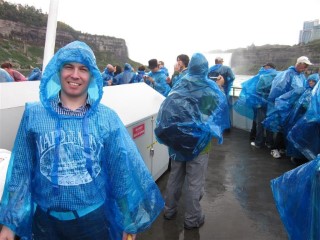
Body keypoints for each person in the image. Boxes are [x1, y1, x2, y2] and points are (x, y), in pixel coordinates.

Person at [0, 41, 164, 240]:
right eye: (69, 66)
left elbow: (120, 172)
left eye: (83, 69)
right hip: (45, 222)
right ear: (58, 70)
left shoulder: (106, 118)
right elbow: (20, 170)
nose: (75, 75)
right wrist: (10, 223)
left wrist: (128, 221)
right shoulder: (34, 115)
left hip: (93, 222)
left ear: (92, 75)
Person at [155, 53, 229, 230]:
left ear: (191, 67)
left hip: (177, 142)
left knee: (175, 177)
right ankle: (192, 219)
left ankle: (169, 210)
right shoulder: (210, 87)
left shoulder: (180, 83)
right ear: (205, 69)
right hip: (199, 143)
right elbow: (218, 110)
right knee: (194, 183)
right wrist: (219, 87)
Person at [263, 56, 313, 159]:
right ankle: (274, 149)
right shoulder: (287, 74)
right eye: (304, 66)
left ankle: (281, 147)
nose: (305, 69)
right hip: (284, 106)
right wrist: (281, 105)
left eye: (306, 67)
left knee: (287, 128)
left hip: (293, 107)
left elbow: (303, 89)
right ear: (298, 64)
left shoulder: (301, 76)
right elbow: (277, 91)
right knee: (280, 128)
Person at [233, 63, 277, 148]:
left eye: (264, 67)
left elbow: (257, 90)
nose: (263, 68)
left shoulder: (262, 77)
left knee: (260, 123)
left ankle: (259, 143)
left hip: (261, 104)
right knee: (270, 123)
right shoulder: (278, 76)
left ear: (268, 67)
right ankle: (269, 143)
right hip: (272, 104)